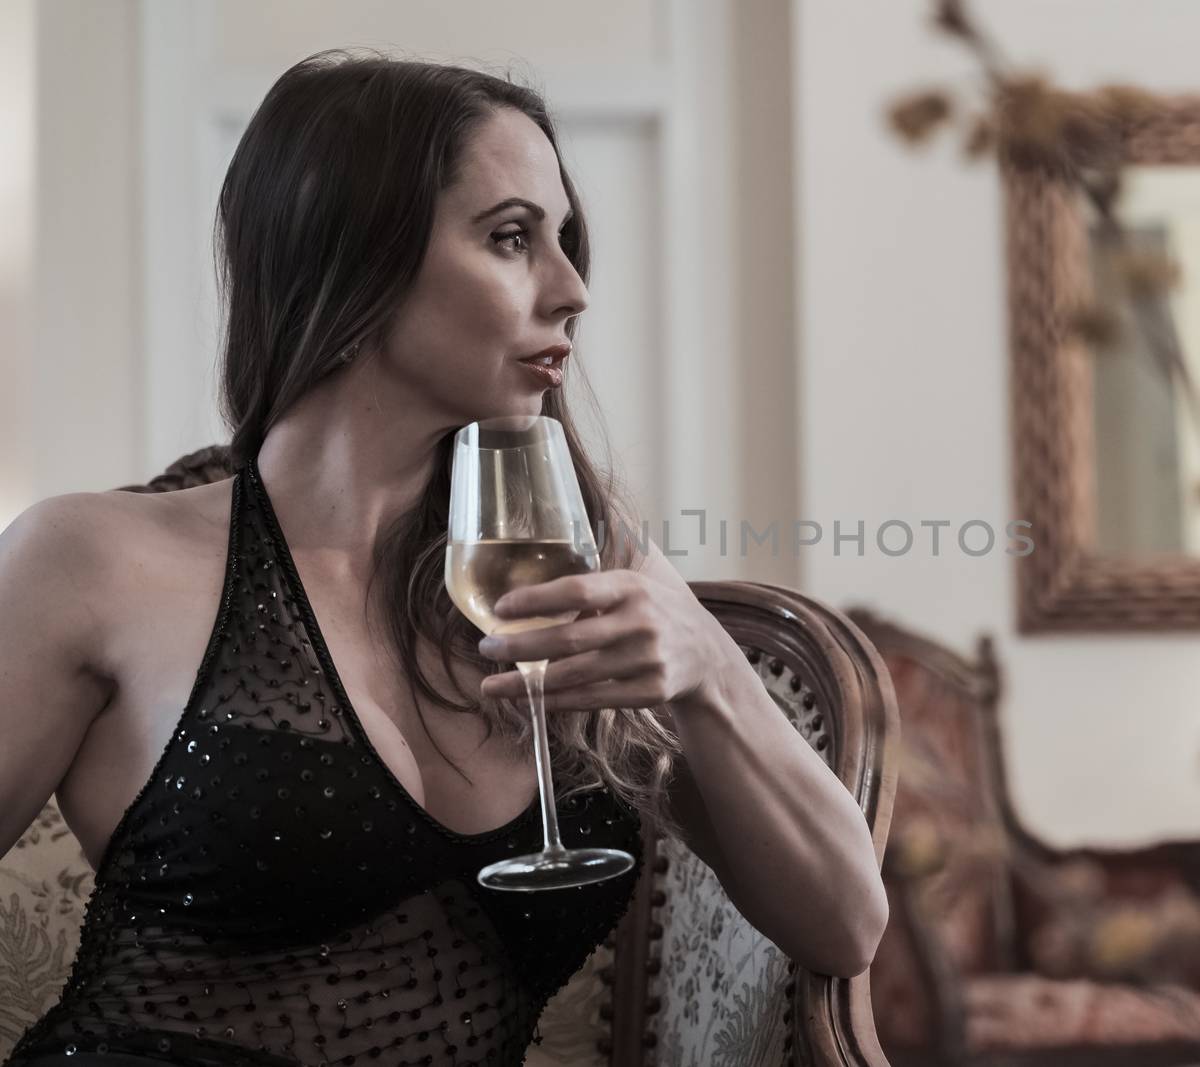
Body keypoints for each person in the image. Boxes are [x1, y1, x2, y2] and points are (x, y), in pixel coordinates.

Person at [0, 50, 887, 1067]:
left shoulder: (576, 575)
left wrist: (709, 672)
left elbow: (845, 925)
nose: (571, 289)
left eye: (567, 241)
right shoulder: (92, 562)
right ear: (351, 255)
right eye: (512, 237)